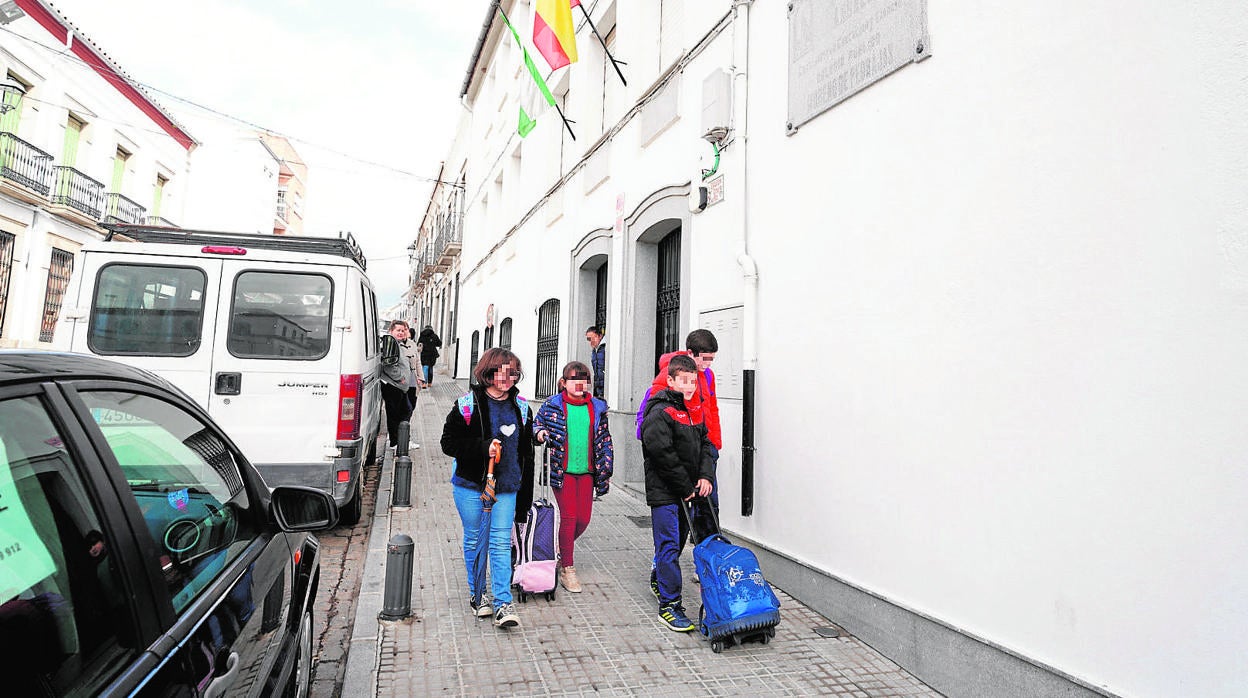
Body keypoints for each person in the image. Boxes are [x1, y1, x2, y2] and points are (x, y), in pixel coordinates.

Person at [440, 348, 538, 629]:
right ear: (488, 371)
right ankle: (477, 594)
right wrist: (484, 448)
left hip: (506, 487)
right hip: (471, 486)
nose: (508, 377)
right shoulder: (467, 406)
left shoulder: (521, 407)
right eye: (502, 371)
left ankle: (503, 602)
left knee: (499, 542)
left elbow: (524, 449)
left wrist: (537, 435)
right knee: (474, 539)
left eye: (513, 371)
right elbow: (449, 443)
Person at [640, 354, 714, 632]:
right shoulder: (659, 411)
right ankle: (669, 605)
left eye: (693, 381)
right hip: (666, 494)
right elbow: (662, 454)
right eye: (684, 381)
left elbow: (706, 444)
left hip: (688, 492)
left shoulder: (693, 411)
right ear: (670, 380)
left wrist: (705, 476)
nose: (690, 386)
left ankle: (660, 579)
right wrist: (685, 487)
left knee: (679, 542)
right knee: (669, 545)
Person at [533, 361, 614, 593]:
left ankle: (558, 551)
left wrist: (606, 465)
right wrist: (540, 433)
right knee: (569, 517)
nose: (580, 384)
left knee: (583, 519)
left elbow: (605, 438)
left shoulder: (597, 407)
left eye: (584, 380)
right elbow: (536, 424)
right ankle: (568, 568)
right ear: (563, 382)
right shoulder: (552, 405)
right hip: (563, 471)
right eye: (574, 379)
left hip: (588, 471)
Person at [636, 329, 720, 540]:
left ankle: (706, 563)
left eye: (712, 359)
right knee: (679, 520)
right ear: (691, 353)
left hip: (704, 448)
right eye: (705, 359)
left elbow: (712, 409)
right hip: (680, 450)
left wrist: (714, 443)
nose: (708, 364)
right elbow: (652, 412)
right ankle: (661, 562)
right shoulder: (671, 374)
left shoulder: (708, 376)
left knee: (709, 509)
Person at [380, 320, 417, 452]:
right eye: (398, 330)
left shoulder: (398, 344)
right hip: (392, 385)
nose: (401, 333)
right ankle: (396, 442)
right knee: (396, 413)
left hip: (398, 386)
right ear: (391, 331)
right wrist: (400, 378)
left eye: (403, 330)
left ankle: (401, 440)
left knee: (405, 411)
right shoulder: (391, 343)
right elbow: (389, 364)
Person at [585, 326, 605, 399]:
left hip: (606, 386)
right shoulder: (594, 350)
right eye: (589, 339)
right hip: (598, 388)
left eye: (593, 338)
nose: (591, 341)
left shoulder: (605, 347)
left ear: (600, 336)